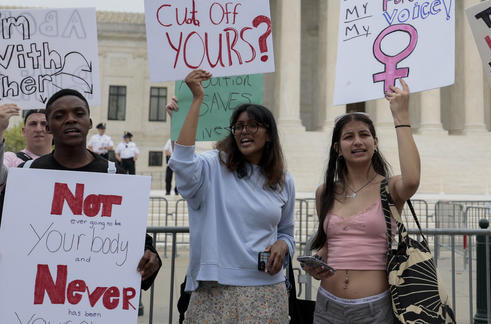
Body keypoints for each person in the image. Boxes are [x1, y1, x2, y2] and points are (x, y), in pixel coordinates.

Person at [0, 89, 161, 289]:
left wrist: (150, 257)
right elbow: (5, 227)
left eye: (78, 114)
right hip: (32, 298)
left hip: (92, 301)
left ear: (89, 122)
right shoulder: (27, 174)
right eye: (60, 116)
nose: (70, 120)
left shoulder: (115, 176)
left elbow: (134, 239)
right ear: (49, 127)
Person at [169, 69, 295, 323]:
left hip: (267, 291)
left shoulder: (283, 180)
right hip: (214, 289)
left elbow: (286, 232)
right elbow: (182, 164)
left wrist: (284, 245)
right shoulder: (213, 166)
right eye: (238, 126)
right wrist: (194, 103)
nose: (243, 131)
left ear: (269, 133)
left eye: (252, 125)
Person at [304, 78, 419, 323]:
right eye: (348, 137)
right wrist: (317, 264)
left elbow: (412, 180)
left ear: (375, 143)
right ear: (337, 147)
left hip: (374, 309)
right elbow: (327, 247)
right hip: (327, 306)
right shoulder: (324, 192)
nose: (357, 141)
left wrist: (401, 117)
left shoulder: (391, 188)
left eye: (364, 135)